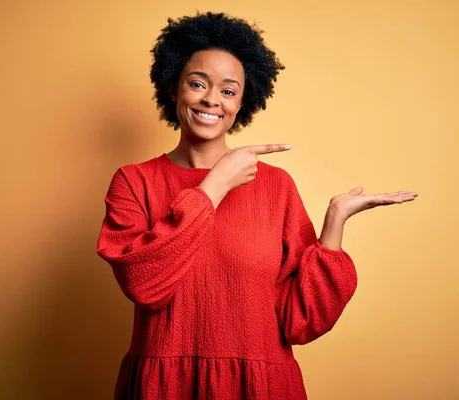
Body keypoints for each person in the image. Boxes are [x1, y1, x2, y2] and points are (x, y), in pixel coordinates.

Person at [96, 11, 417, 400]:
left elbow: (300, 321)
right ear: (173, 88)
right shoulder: (134, 182)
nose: (212, 99)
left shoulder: (276, 186)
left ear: (242, 102)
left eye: (228, 91)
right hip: (165, 387)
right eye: (198, 83)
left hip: (259, 388)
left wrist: (334, 221)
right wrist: (215, 185)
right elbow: (145, 284)